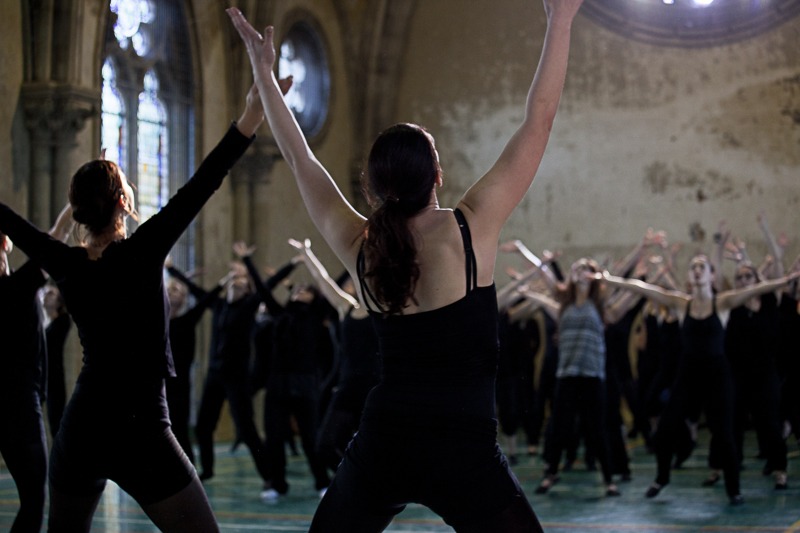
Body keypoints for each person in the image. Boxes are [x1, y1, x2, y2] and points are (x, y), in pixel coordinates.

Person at [228, 0, 582, 529]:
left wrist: (262, 72)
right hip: (464, 452)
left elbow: (301, 158)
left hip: (384, 441)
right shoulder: (471, 227)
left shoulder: (360, 243)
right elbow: (541, 118)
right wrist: (561, 20)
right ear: (437, 175)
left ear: (373, 188)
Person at [0, 85, 265, 532]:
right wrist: (252, 115)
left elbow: (11, 220)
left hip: (82, 428)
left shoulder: (65, 264)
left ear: (78, 211)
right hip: (141, 428)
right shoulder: (143, 250)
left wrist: (94, 184)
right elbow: (205, 180)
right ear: (123, 203)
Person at [601, 255, 800, 505]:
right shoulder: (681, 303)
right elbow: (644, 289)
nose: (696, 270)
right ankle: (661, 477)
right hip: (688, 373)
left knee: (725, 433)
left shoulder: (723, 302)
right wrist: (611, 280)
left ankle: (733, 489)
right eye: (693, 267)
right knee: (664, 429)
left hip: (717, 374)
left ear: (711, 275)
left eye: (701, 267)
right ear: (689, 275)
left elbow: (757, 289)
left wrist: (788, 279)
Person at [0, 206, 72, 533]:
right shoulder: (16, 287)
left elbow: (54, 239)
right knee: (34, 500)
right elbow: (56, 237)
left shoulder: (19, 284)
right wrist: (75, 206)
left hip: (20, 403)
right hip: (18, 405)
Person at [43, 283, 73, 439]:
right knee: (53, 420)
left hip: (55, 378)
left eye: (51, 295)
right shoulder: (50, 323)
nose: (46, 297)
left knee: (57, 421)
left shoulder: (63, 321)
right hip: (49, 378)